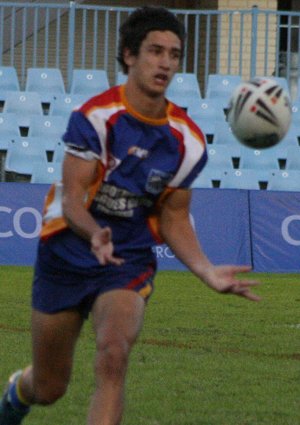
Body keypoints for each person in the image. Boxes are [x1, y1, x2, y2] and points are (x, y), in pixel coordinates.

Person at [0, 6, 261, 425]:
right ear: (129, 55)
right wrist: (94, 234)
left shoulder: (187, 140)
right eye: (155, 51)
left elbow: (174, 218)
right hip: (67, 247)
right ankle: (17, 395)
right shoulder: (94, 118)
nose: (166, 62)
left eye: (174, 54)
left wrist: (207, 272)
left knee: (114, 354)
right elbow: (72, 201)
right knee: (49, 387)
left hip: (128, 257)